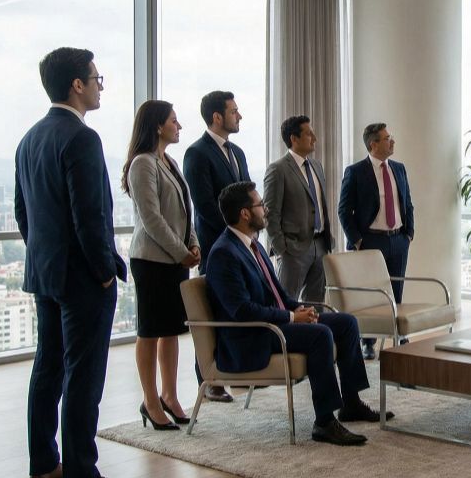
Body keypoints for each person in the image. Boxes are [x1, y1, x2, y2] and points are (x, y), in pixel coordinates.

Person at [203, 181, 392, 445]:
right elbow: (242, 311)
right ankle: (324, 422)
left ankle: (351, 403)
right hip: (251, 336)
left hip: (273, 324)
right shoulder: (224, 253)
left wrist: (297, 308)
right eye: (260, 205)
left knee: (347, 322)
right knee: (320, 335)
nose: (266, 210)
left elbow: (277, 294)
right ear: (245, 213)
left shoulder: (253, 245)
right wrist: (292, 318)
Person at [16, 47, 126, 478]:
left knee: (48, 369)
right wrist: (103, 272)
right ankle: (82, 471)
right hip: (83, 279)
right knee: (83, 376)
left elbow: (23, 213)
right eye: (97, 79)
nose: (100, 88)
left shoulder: (29, 139)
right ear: (77, 85)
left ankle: (44, 465)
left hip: (45, 274)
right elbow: (90, 216)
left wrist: (46, 255)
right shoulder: (82, 138)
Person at [122, 100, 199, 432]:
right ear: (157, 125)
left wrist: (192, 244)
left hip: (176, 258)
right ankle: (150, 400)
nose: (178, 126)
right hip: (152, 260)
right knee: (150, 330)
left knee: (171, 330)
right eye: (173, 120)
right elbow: (151, 219)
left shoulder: (169, 162)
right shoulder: (142, 163)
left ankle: (170, 395)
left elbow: (184, 211)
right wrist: (181, 251)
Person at [183, 90, 249, 403]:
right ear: (217, 117)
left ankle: (240, 371)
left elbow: (246, 196)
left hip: (242, 246)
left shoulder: (238, 153)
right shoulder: (197, 153)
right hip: (216, 247)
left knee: (237, 309)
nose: (239, 116)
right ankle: (209, 380)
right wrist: (233, 233)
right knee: (211, 314)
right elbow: (205, 205)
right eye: (234, 111)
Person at [337, 123, 415, 360]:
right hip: (370, 241)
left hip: (398, 239)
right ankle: (368, 341)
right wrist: (358, 241)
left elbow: (407, 203)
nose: (392, 141)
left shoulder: (399, 168)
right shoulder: (356, 171)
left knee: (396, 290)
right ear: (373, 144)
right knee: (371, 294)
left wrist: (409, 234)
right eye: (387, 138)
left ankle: (399, 336)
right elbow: (344, 211)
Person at [263, 115, 334, 303]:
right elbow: (270, 213)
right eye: (309, 134)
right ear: (294, 139)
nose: (315, 138)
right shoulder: (277, 169)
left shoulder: (317, 166)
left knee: (316, 305)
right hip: (293, 250)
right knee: (287, 303)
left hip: (320, 245)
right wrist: (281, 249)